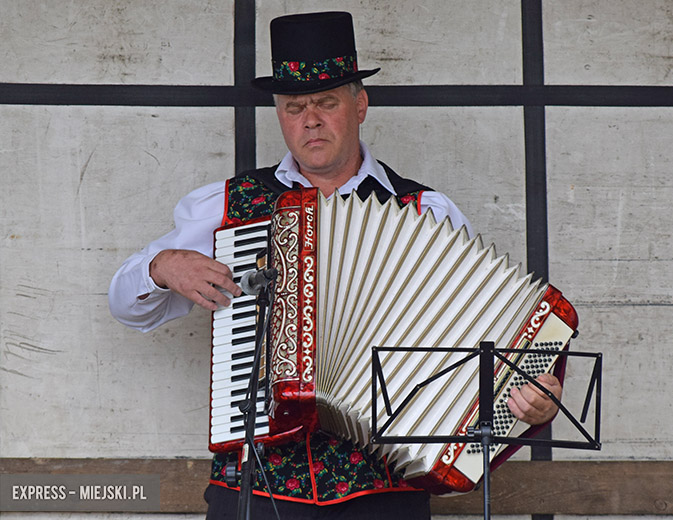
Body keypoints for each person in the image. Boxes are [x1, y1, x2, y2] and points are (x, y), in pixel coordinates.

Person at [108, 11, 562, 520]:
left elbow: (496, 341)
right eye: (294, 106)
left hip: (385, 494)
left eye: (326, 102)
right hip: (257, 487)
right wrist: (164, 266)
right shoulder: (230, 207)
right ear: (279, 113)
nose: (310, 120)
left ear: (360, 104)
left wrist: (534, 404)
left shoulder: (423, 211)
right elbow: (128, 307)